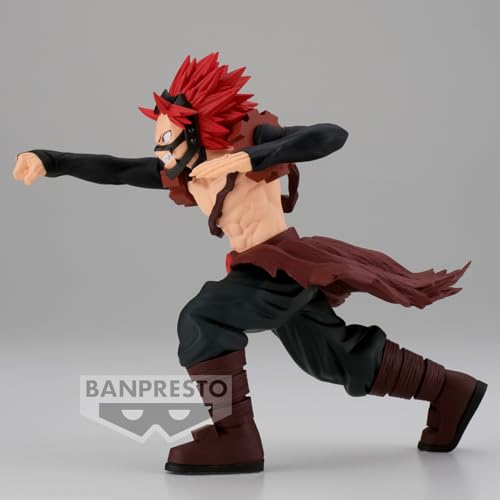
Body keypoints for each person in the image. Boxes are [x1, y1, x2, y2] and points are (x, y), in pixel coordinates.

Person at [12, 52, 487, 475]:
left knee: (204, 316)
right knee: (333, 357)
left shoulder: (249, 142)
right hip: (259, 265)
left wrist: (245, 158)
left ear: (194, 127)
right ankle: (450, 390)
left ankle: (232, 436)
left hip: (279, 261)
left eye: (169, 138)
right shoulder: (188, 171)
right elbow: (118, 169)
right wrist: (49, 160)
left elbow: (328, 135)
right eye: (159, 140)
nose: (162, 151)